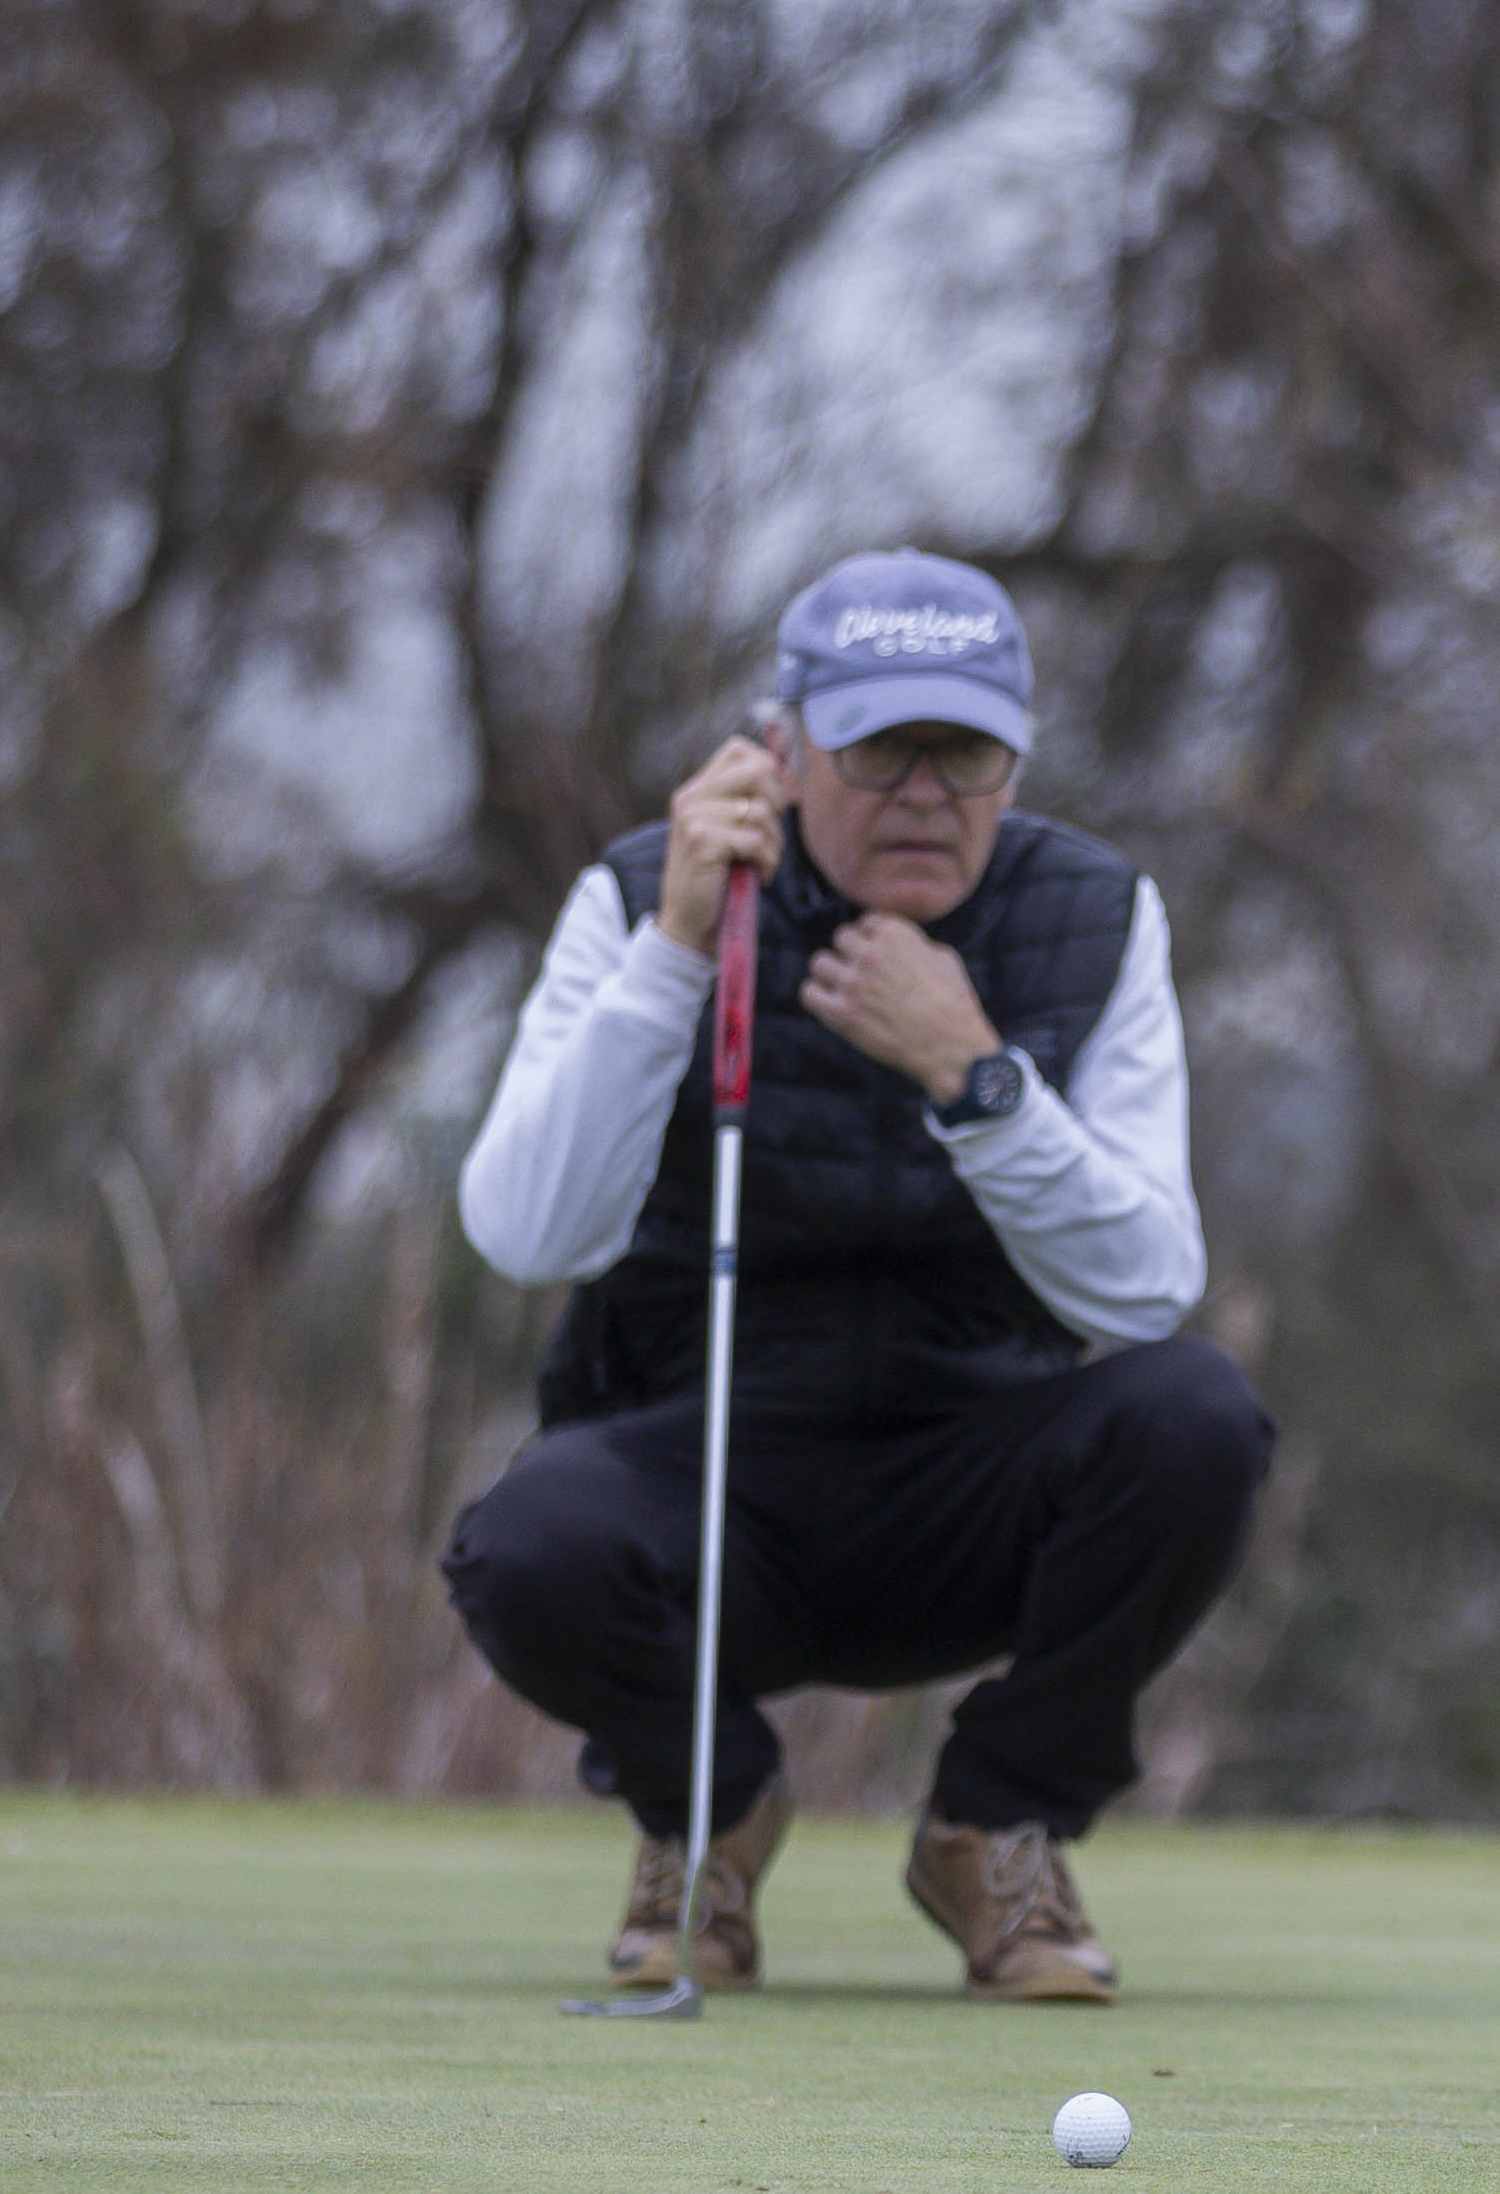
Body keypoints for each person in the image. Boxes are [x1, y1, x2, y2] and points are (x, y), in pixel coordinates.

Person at [443, 549, 1270, 2003]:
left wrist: (977, 1076)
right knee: (524, 1544)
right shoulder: (640, 895)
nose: (927, 795)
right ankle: (713, 1810)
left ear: (1015, 761)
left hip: (975, 1489)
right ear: (783, 750)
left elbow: (1144, 1287)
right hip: (707, 1490)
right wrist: (678, 954)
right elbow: (528, 1233)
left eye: (969, 755)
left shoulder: (1094, 912)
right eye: (883, 750)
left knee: (1198, 1418)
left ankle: (995, 1822)